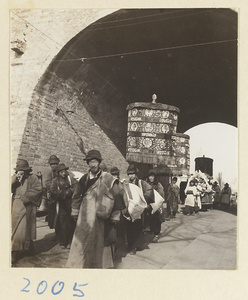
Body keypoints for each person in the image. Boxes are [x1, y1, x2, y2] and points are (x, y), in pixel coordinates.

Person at [66, 150, 126, 269]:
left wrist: (115, 215)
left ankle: (98, 264)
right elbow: (77, 195)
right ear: (88, 163)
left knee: (100, 241)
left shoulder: (107, 177)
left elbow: (117, 194)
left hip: (100, 215)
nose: (93, 164)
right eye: (90, 162)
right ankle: (80, 263)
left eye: (95, 161)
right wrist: (75, 210)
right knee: (82, 239)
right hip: (84, 214)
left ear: (99, 163)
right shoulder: (84, 179)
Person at [11, 159, 42, 264]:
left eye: (23, 170)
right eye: (19, 170)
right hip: (15, 204)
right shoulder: (15, 178)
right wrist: (15, 178)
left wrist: (25, 198)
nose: (21, 172)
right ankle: (25, 247)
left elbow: (38, 189)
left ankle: (16, 250)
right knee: (14, 226)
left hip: (27, 205)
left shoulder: (32, 178)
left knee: (23, 228)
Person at [125, 164, 154, 255]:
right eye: (129, 174)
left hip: (139, 209)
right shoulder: (126, 183)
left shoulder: (141, 183)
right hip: (130, 208)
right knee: (129, 227)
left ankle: (135, 245)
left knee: (137, 227)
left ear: (135, 174)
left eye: (132, 174)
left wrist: (142, 199)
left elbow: (149, 190)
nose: (131, 176)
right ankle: (131, 246)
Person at [50, 163, 77, 249]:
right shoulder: (55, 181)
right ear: (58, 173)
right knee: (61, 222)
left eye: (64, 171)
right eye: (61, 172)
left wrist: (70, 191)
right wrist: (63, 193)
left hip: (70, 203)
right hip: (60, 204)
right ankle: (63, 241)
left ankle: (69, 241)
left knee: (70, 222)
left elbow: (75, 188)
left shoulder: (70, 179)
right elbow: (53, 191)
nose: (63, 173)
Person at [146, 170, 165, 243]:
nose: (151, 178)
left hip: (157, 203)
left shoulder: (158, 184)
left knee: (157, 219)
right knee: (151, 218)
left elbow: (161, 193)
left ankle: (156, 234)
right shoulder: (147, 184)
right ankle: (152, 232)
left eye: (152, 176)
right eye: (150, 176)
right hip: (149, 204)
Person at [44, 155, 60, 234]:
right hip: (53, 197)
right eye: (52, 164)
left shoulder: (61, 171)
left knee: (60, 216)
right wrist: (54, 187)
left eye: (55, 164)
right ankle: (56, 232)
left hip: (61, 196)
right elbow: (47, 183)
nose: (54, 166)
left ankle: (60, 233)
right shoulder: (49, 172)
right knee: (53, 215)